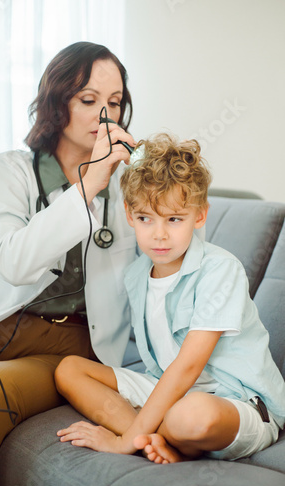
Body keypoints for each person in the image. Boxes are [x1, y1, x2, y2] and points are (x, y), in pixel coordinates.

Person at [0, 41, 137, 486]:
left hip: (72, 341)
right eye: (89, 101)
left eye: (114, 103)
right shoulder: (10, 171)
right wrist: (87, 186)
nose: (105, 116)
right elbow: (14, 262)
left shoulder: (132, 184)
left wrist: (108, 182)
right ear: (57, 103)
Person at [55, 133, 285, 464]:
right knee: (69, 370)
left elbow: (189, 366)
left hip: (234, 401)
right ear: (130, 215)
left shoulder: (220, 270)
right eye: (146, 218)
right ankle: (160, 442)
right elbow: (167, 372)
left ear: (199, 216)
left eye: (174, 219)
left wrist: (122, 441)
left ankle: (144, 435)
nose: (159, 234)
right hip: (170, 388)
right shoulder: (137, 275)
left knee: (190, 416)